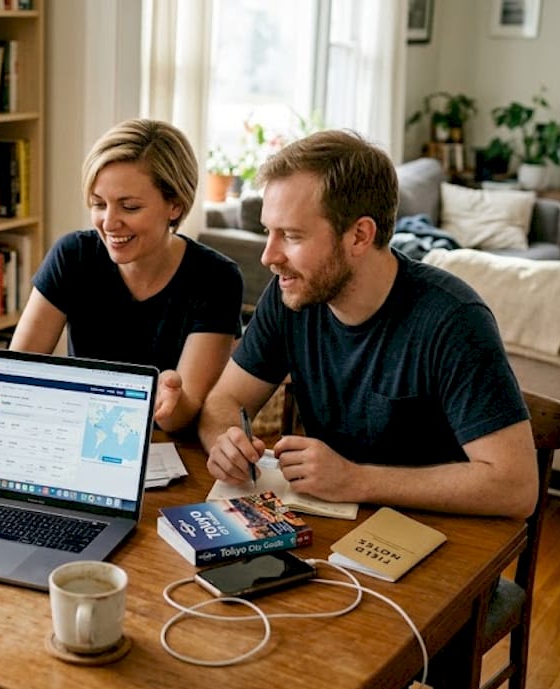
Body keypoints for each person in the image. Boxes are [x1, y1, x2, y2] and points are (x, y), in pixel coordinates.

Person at [198, 130, 537, 520]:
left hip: (440, 541)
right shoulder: (289, 294)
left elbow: (516, 487)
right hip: (333, 530)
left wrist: (357, 479)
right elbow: (224, 402)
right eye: (267, 232)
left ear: (359, 235)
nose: (269, 256)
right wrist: (225, 442)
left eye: (291, 236)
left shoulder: (454, 319)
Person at [8, 118, 243, 433]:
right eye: (98, 204)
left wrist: (171, 398)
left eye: (129, 207)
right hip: (82, 437)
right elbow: (15, 374)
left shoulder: (216, 278)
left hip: (169, 450)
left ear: (175, 205)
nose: (109, 222)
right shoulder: (73, 256)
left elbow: (182, 415)